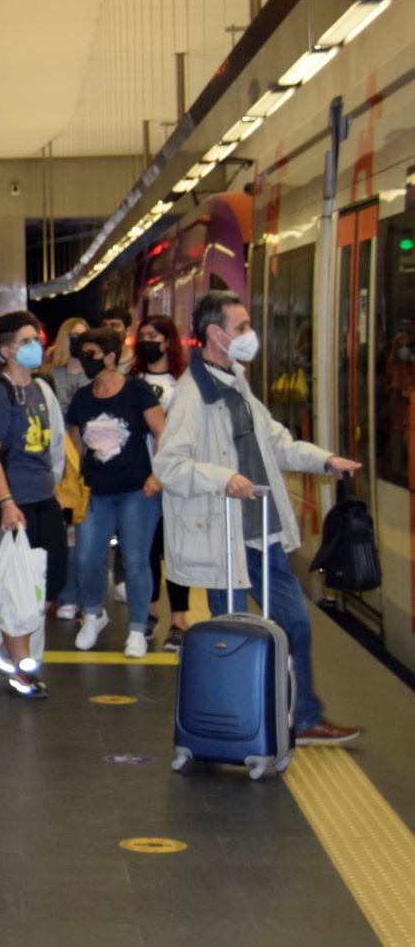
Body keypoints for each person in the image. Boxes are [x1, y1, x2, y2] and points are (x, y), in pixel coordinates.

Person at [154, 291, 362, 745]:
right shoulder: (193, 396)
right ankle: (232, 725)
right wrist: (223, 476)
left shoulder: (236, 383)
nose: (251, 335)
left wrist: (326, 460)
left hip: (260, 529)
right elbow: (169, 466)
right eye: (242, 326)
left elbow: (277, 442)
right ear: (215, 334)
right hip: (224, 535)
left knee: (294, 625)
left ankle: (303, 717)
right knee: (231, 638)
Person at [0, 311, 69, 696]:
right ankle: (23, 671)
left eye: (36, 338)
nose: (35, 345)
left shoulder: (40, 389)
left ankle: (2, 651)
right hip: (11, 504)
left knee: (48, 585)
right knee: (18, 589)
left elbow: (51, 445)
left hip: (42, 499)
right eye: (25, 341)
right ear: (5, 350)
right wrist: (6, 502)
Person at [65, 327, 165, 659]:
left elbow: (162, 431)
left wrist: (157, 474)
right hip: (95, 492)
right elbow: (76, 444)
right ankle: (93, 614)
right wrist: (75, 485)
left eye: (91, 354)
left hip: (137, 490)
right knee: (87, 556)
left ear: (111, 357)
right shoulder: (81, 398)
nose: (85, 360)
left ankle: (137, 628)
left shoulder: (138, 391)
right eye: (83, 354)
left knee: (136, 559)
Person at [131, 314, 192, 648]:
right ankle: (152, 611)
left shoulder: (184, 383)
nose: (146, 340)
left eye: (153, 335)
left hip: (176, 480)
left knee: (177, 550)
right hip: (141, 479)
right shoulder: (132, 380)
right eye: (142, 335)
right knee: (148, 550)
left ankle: (180, 618)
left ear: (168, 341)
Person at [46, 317, 91, 412]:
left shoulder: (94, 374)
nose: (80, 340)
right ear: (65, 338)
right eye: (76, 335)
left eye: (84, 336)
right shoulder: (50, 374)